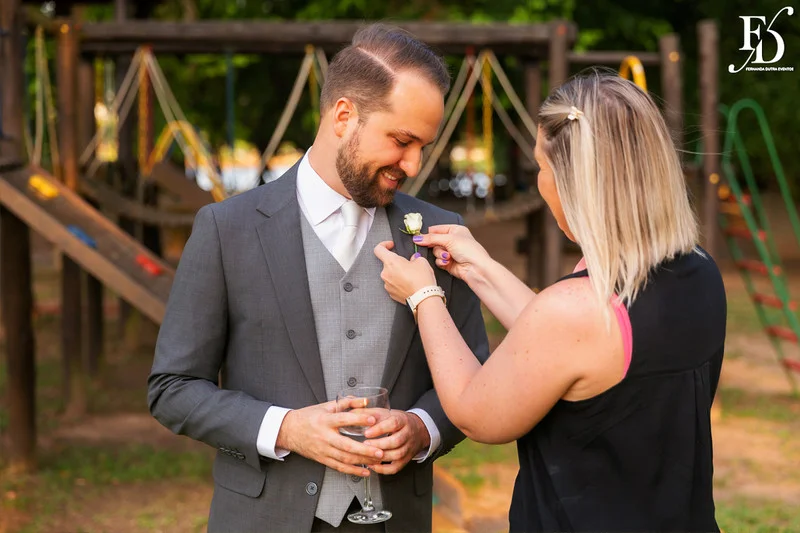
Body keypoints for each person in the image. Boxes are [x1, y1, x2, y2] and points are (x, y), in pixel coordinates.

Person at [148, 24, 489, 533]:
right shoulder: (227, 229)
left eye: (424, 145)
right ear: (343, 115)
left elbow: (477, 374)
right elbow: (172, 388)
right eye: (401, 140)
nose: (413, 163)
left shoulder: (442, 235)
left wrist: (422, 429)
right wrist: (285, 428)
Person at [375, 71, 727, 532]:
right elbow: (573, 350)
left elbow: (476, 412)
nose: (541, 183)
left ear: (574, 181)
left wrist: (424, 296)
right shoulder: (699, 271)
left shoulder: (576, 311)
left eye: (542, 166)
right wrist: (478, 266)